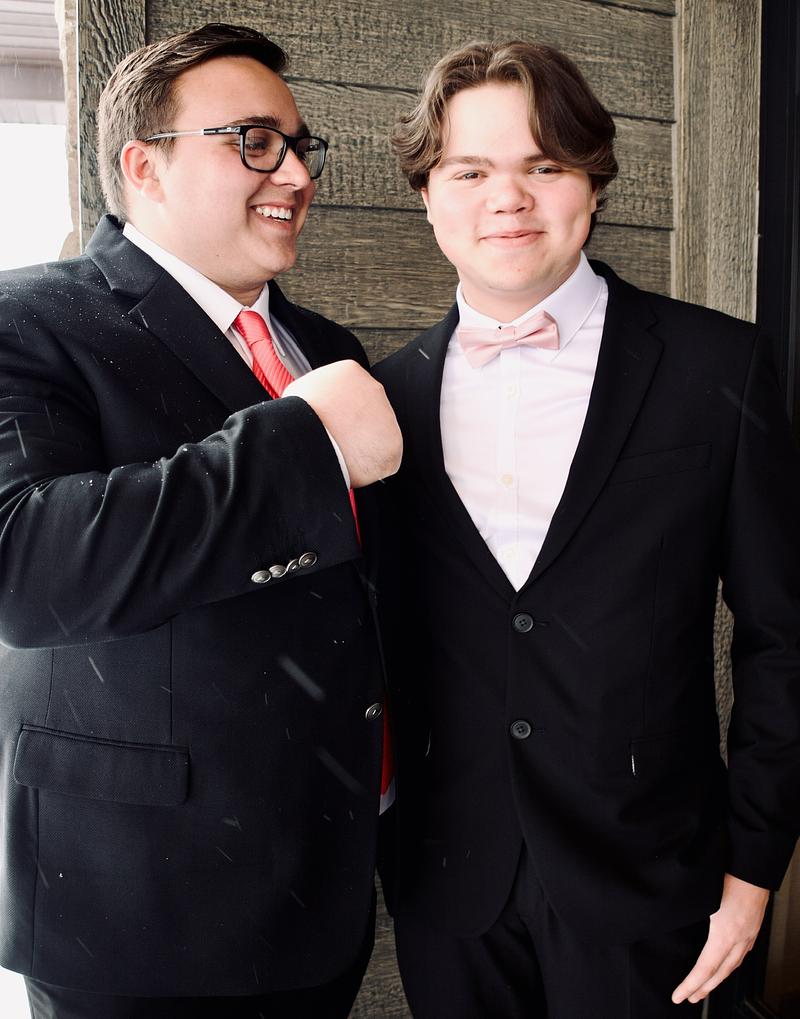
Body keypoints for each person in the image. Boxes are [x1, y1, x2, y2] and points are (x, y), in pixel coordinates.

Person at [375, 39, 800, 1018]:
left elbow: (783, 636)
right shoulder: (381, 399)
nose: (507, 198)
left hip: (655, 878)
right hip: (448, 884)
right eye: (469, 171)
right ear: (428, 195)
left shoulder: (718, 367)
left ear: (593, 183)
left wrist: (753, 869)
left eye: (544, 165)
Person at [0, 22, 401, 1019]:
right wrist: (303, 442)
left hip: (321, 884)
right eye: (253, 142)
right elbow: (27, 566)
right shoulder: (24, 320)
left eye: (298, 146)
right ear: (145, 166)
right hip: (137, 907)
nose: (295, 175)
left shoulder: (325, 345)